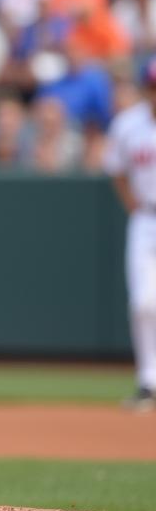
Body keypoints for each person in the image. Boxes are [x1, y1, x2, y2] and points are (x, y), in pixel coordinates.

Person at [103, 57, 156, 412]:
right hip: (147, 219)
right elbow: (116, 170)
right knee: (143, 303)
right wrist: (134, 205)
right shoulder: (128, 124)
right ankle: (148, 382)